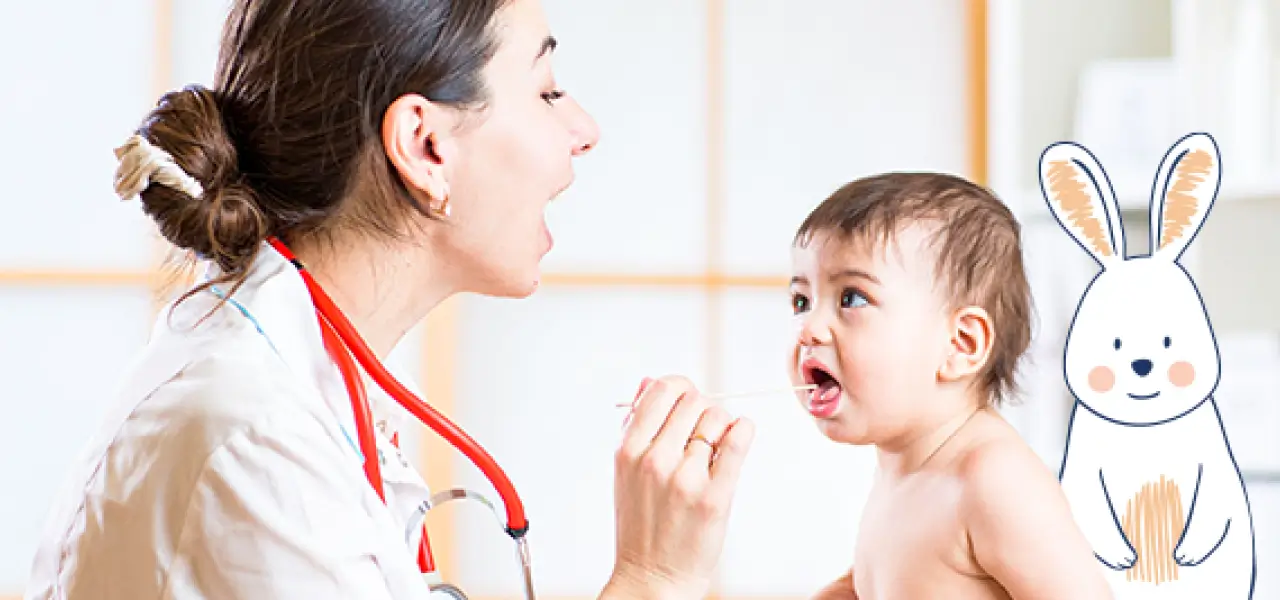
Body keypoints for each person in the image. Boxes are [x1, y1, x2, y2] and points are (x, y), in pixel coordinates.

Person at [25, 0, 754, 598]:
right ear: (425, 145)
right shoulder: (253, 438)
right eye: (546, 92)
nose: (584, 130)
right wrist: (655, 578)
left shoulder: (300, 377)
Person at [786, 173, 1113, 599]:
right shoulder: (904, 466)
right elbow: (896, 572)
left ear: (961, 344)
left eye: (852, 298)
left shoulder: (993, 480)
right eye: (801, 301)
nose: (809, 329)